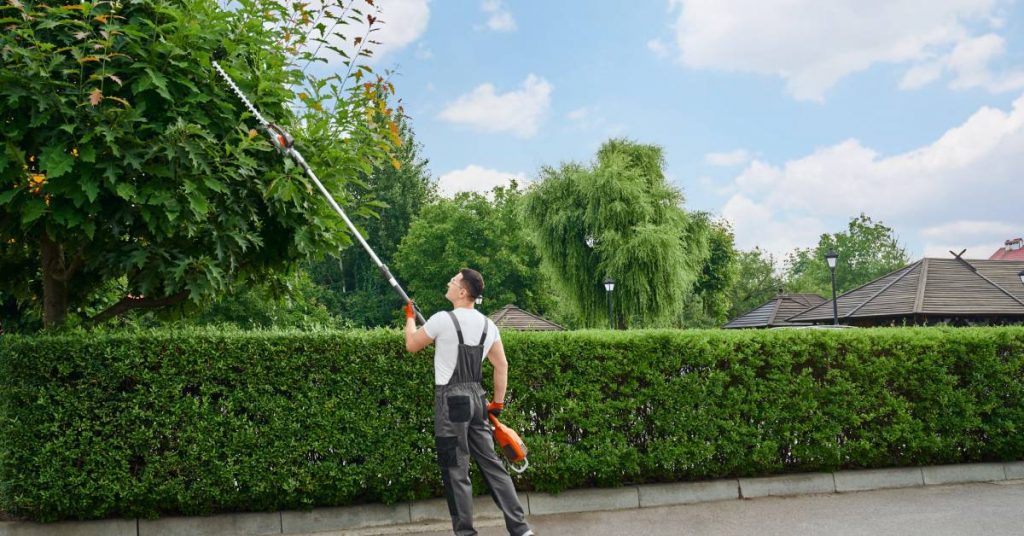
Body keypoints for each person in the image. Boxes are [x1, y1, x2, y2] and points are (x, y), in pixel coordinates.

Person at [404, 268, 534, 536]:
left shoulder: (442, 319)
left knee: (455, 469)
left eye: (452, 281)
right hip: (478, 399)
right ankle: (521, 530)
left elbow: (412, 344)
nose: (448, 283)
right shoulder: (489, 325)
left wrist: (409, 318)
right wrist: (497, 404)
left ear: (462, 291)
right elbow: (502, 365)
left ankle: (465, 533)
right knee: (493, 466)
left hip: (451, 402)